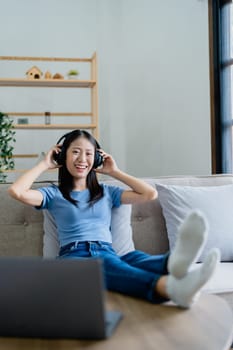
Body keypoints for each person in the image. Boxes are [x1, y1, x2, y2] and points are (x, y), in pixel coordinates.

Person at [8, 129, 220, 308]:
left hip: (109, 252)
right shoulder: (53, 194)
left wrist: (115, 171)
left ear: (97, 158)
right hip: (75, 257)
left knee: (135, 259)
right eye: (75, 152)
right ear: (63, 157)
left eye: (89, 154)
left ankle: (176, 262)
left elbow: (149, 194)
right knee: (114, 267)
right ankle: (169, 288)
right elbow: (16, 191)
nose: (82, 159)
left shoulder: (107, 192)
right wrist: (45, 163)